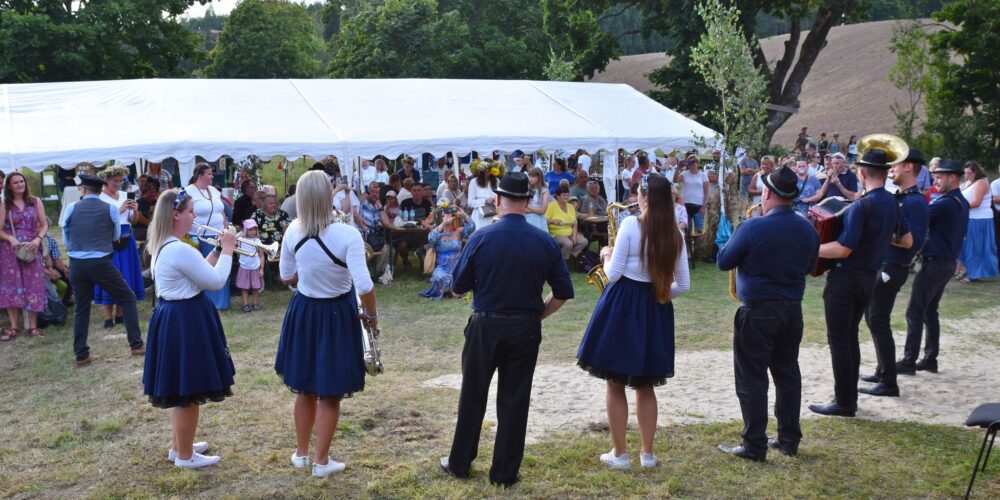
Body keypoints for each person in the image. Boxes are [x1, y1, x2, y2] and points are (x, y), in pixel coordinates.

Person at [440, 172, 573, 487]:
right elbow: (564, 292)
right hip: (525, 327)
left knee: (473, 395)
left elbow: (457, 287)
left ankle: (459, 463)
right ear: (527, 203)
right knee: (515, 399)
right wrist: (538, 315)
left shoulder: (482, 237)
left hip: (486, 324)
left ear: (498, 201)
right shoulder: (544, 241)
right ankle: (504, 473)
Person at [576, 173, 689, 469]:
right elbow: (685, 284)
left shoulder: (631, 224)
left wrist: (606, 254)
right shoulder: (675, 233)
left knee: (614, 381)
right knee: (645, 384)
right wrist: (660, 297)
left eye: (638, 194)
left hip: (623, 304)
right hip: (655, 307)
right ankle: (648, 454)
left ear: (645, 197)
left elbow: (613, 274)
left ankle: (620, 454)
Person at [275, 171, 380, 478]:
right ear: (328, 196)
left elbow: (285, 276)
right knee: (329, 391)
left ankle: (301, 454)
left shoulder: (293, 230)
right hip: (337, 314)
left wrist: (310, 274)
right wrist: (372, 317)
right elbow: (365, 286)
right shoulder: (347, 234)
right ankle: (322, 462)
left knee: (305, 387)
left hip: (304, 311)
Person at [716, 166, 818, 462]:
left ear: (768, 193)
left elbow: (724, 262)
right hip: (792, 311)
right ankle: (788, 440)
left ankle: (754, 444)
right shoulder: (807, 228)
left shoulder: (751, 227)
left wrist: (731, 236)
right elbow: (812, 267)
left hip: (758, 312)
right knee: (787, 375)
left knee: (752, 378)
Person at [808, 149, 909, 418]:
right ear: (887, 173)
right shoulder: (892, 202)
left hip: (847, 278)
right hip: (870, 278)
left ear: (862, 174)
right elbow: (905, 239)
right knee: (849, 337)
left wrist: (811, 248)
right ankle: (847, 399)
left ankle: (844, 402)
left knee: (839, 341)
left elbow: (843, 249)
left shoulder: (861, 205)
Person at [143, 188, 236, 469]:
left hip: (176, 316)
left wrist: (219, 249)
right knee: (188, 389)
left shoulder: (168, 245)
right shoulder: (179, 248)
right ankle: (185, 456)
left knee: (181, 388)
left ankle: (179, 446)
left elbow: (198, 274)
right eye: (191, 211)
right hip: (185, 320)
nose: (195, 216)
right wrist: (230, 248)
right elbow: (217, 281)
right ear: (176, 215)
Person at [859, 149, 928, 398]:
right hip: (884, 265)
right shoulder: (900, 198)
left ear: (909, 167)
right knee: (873, 319)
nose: (892, 170)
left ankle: (889, 382)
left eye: (896, 165)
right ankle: (882, 372)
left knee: (879, 321)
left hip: (893, 268)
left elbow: (914, 242)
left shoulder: (915, 202)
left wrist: (875, 232)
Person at [59, 175, 144, 365]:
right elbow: (115, 236)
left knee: (82, 307)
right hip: (101, 261)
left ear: (84, 190)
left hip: (77, 263)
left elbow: (66, 236)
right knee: (127, 297)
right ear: (100, 190)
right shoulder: (111, 209)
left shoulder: (73, 208)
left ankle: (81, 354)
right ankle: (136, 344)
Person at [898, 159, 970, 375]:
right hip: (946, 262)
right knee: (930, 311)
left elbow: (918, 217)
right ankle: (930, 359)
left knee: (915, 311)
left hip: (936, 262)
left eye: (939, 177)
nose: (935, 181)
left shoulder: (946, 202)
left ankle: (909, 361)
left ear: (953, 177)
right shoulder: (961, 201)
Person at [94, 165, 145, 329]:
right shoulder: (99, 197)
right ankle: (107, 315)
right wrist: (120, 209)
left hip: (126, 237)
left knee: (125, 275)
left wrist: (135, 211)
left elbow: (133, 221)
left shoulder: (125, 195)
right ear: (106, 181)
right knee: (109, 276)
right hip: (108, 238)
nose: (118, 184)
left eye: (120, 180)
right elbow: (101, 220)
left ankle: (120, 313)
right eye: (115, 181)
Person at [0, 171, 49, 340]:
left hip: (31, 248)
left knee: (33, 284)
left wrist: (38, 239)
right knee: (11, 286)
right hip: (10, 251)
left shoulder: (35, 202)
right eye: (16, 182)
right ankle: (14, 327)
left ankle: (32, 327)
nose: (20, 184)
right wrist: (11, 238)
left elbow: (44, 225)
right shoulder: (4, 205)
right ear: (9, 186)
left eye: (22, 181)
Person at [184, 163, 230, 311]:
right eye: (209, 174)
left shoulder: (214, 191)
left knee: (220, 266)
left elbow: (221, 213)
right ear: (200, 175)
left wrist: (226, 230)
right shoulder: (188, 191)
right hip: (200, 237)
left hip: (218, 235)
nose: (212, 176)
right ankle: (207, 302)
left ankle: (222, 302)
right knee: (205, 269)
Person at [419, 206, 475, 300]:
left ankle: (452, 289)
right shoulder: (437, 232)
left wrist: (464, 215)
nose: (448, 217)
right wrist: (444, 223)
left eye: (450, 215)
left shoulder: (459, 231)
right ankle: (447, 288)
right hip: (441, 267)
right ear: (441, 217)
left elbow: (472, 227)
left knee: (456, 293)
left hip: (457, 267)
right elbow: (431, 240)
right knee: (439, 277)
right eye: (445, 215)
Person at [956, 161, 998, 281]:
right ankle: (966, 270)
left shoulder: (981, 182)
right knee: (966, 246)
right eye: (965, 173)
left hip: (980, 219)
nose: (966, 175)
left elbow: (976, 202)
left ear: (976, 172)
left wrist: (958, 206)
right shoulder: (969, 182)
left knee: (975, 247)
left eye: (969, 173)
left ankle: (973, 274)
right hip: (970, 218)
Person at [546, 186, 588, 261]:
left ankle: (568, 257)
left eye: (567, 195)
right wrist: (553, 221)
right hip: (556, 233)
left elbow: (575, 223)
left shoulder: (570, 207)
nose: (566, 197)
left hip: (569, 233)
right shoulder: (551, 206)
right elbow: (545, 221)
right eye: (564, 195)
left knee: (584, 241)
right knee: (568, 244)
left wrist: (574, 236)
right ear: (558, 196)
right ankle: (561, 262)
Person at [235, 219, 265, 313]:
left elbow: (262, 256)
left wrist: (262, 269)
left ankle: (255, 304)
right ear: (245, 230)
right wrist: (238, 235)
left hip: (255, 267)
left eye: (254, 229)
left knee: (256, 287)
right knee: (244, 288)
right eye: (250, 229)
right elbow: (234, 245)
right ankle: (245, 305)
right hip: (244, 267)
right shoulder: (241, 240)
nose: (253, 231)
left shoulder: (258, 241)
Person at [678, 155, 709, 235]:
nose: (692, 163)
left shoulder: (703, 175)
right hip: (686, 204)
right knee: (686, 229)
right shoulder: (684, 174)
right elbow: (675, 180)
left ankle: (698, 247)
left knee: (699, 230)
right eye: (690, 162)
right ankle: (688, 247)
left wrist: (703, 206)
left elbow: (706, 192)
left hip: (698, 205)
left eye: (694, 161)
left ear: (698, 163)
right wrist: (678, 168)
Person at [467, 160, 501, 232]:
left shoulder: (497, 181)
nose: (488, 172)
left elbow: (500, 198)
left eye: (490, 170)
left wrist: (495, 200)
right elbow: (470, 202)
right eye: (486, 170)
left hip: (493, 215)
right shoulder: (474, 182)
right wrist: (485, 201)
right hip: (479, 217)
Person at [525, 167, 550, 232]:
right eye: (530, 176)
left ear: (539, 177)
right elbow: (522, 209)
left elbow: (543, 211)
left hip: (539, 220)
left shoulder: (544, 190)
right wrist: (537, 210)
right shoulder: (526, 189)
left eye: (533, 176)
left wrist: (527, 205)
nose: (531, 178)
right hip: (527, 219)